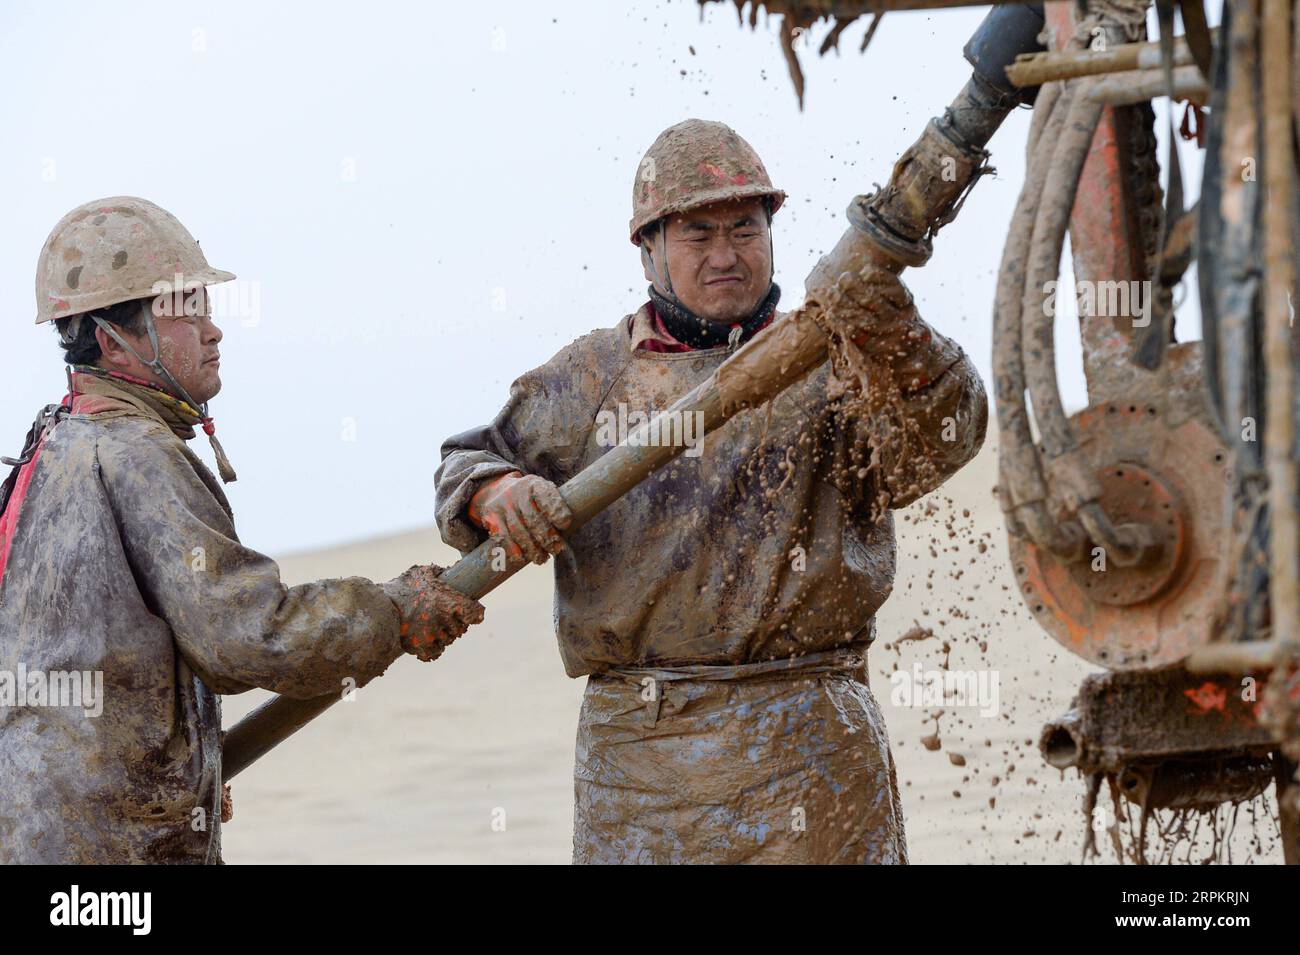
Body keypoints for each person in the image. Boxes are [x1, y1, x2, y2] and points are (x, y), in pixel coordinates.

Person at [435, 120, 987, 863]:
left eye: (744, 228)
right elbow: (468, 458)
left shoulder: (839, 356)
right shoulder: (591, 377)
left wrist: (890, 319)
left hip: (813, 746)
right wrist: (495, 491)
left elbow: (947, 439)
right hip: (643, 765)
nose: (726, 254)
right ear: (649, 249)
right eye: (698, 234)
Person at [0, 197, 483, 863]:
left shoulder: (48, 451)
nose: (212, 329)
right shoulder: (137, 453)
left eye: (205, 305)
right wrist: (394, 611)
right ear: (115, 337)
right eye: (184, 309)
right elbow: (246, 634)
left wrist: (176, 771)